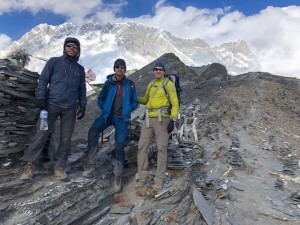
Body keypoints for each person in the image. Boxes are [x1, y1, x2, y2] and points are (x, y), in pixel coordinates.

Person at [20, 37, 87, 180]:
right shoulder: (54, 62)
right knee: (41, 133)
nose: (71, 48)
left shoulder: (80, 69)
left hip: (70, 108)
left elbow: (82, 88)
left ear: (78, 50)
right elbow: (43, 80)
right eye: (68, 45)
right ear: (64, 48)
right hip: (51, 105)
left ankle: (59, 167)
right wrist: (40, 97)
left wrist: (83, 104)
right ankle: (30, 165)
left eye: (75, 47)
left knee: (66, 138)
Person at [82, 58, 138, 193]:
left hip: (121, 119)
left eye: (122, 67)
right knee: (93, 131)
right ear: (114, 68)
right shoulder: (109, 83)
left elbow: (135, 101)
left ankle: (118, 175)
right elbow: (101, 98)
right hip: (107, 116)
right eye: (117, 67)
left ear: (124, 69)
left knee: (120, 144)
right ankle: (91, 164)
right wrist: (104, 108)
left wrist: (128, 109)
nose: (120, 69)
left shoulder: (130, 84)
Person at [136, 61, 179, 192]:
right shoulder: (151, 84)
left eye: (160, 69)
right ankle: (143, 176)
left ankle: (159, 179)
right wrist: (133, 97)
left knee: (162, 148)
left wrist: (173, 119)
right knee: (142, 146)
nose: (158, 71)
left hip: (162, 119)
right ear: (153, 71)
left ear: (164, 72)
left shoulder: (169, 84)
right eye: (156, 69)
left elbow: (175, 103)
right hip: (148, 118)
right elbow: (145, 100)